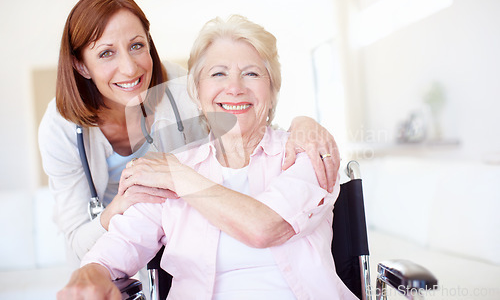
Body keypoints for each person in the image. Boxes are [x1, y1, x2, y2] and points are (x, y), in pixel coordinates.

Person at [57, 15, 356, 300]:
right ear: (197, 93)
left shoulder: (307, 152)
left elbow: (266, 227)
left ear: (273, 90)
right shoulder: (172, 168)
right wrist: (92, 273)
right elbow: (119, 246)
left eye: (251, 73)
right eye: (218, 74)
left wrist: (180, 178)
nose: (235, 87)